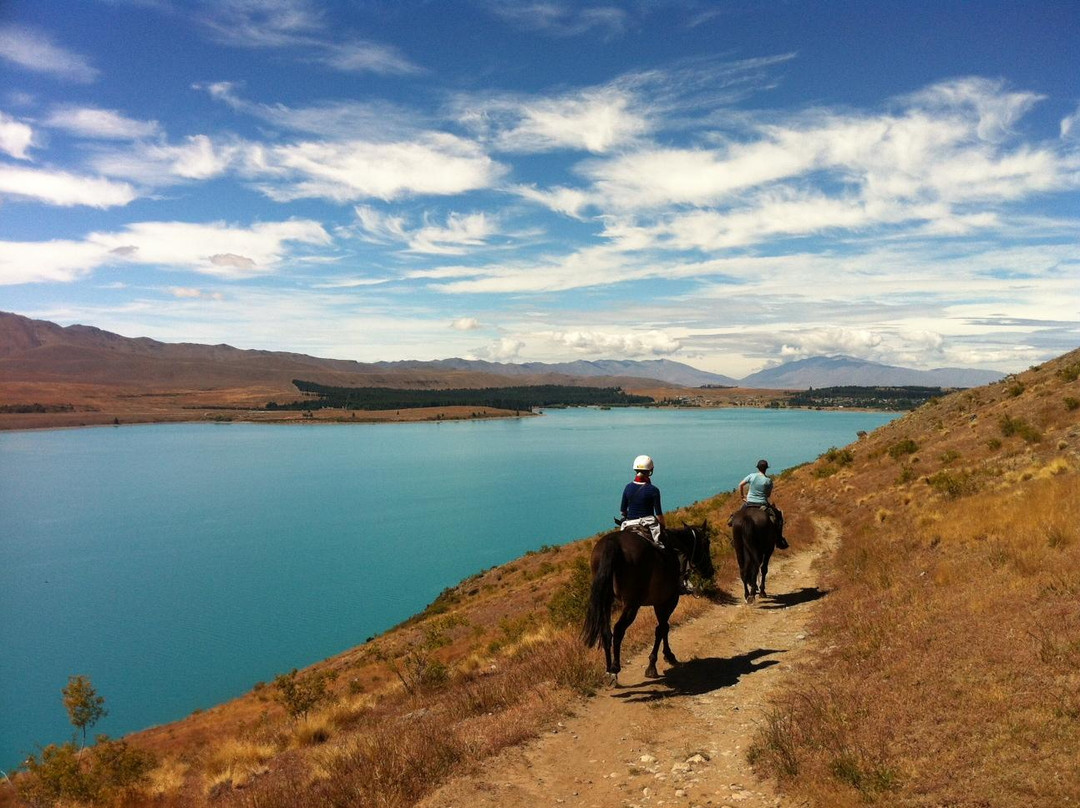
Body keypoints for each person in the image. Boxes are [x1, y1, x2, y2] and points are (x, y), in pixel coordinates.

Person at [736, 459, 789, 549]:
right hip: (762, 504)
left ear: (758, 468)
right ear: (766, 469)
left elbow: (740, 485)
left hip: (749, 503)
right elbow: (767, 495)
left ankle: (735, 538)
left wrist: (742, 497)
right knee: (778, 516)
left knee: (736, 516)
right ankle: (779, 540)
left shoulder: (751, 476)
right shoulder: (768, 481)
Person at [620, 454, 665, 546]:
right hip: (648, 523)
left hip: (629, 523)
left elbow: (622, 511)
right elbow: (659, 515)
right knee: (662, 547)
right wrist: (663, 526)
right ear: (650, 471)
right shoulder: (653, 490)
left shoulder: (627, 487)